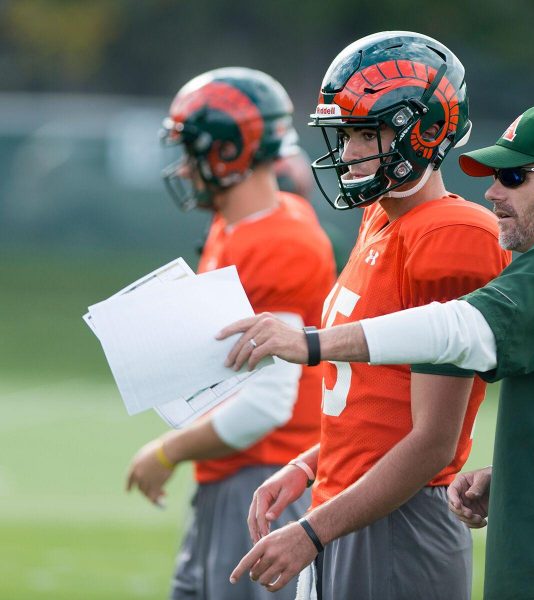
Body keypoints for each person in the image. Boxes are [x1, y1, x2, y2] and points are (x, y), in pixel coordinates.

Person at [224, 102, 534, 600]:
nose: (493, 192)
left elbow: (455, 330)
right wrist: (516, 476)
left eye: (515, 176)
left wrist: (309, 344)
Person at [230, 32, 510, 599]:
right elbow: (375, 403)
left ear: (425, 129)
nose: (351, 151)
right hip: (352, 502)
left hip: (401, 520)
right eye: (346, 134)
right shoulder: (382, 219)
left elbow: (433, 441)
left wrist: (311, 531)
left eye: (365, 133)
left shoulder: (450, 235)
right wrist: (312, 466)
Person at [125, 67, 336, 600]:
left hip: (266, 478)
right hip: (233, 475)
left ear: (226, 152)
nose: (183, 167)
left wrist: (167, 451)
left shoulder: (278, 241)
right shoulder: (236, 223)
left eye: (192, 150)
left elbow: (266, 405)